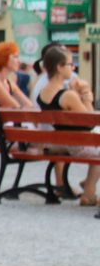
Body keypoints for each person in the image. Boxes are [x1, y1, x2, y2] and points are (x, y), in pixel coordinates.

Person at [36, 44, 100, 205]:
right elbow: (90, 122)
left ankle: (88, 185)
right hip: (78, 144)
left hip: (63, 142)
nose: (73, 67)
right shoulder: (68, 95)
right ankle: (89, 193)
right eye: (70, 64)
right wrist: (86, 98)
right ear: (59, 67)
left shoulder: (43, 92)